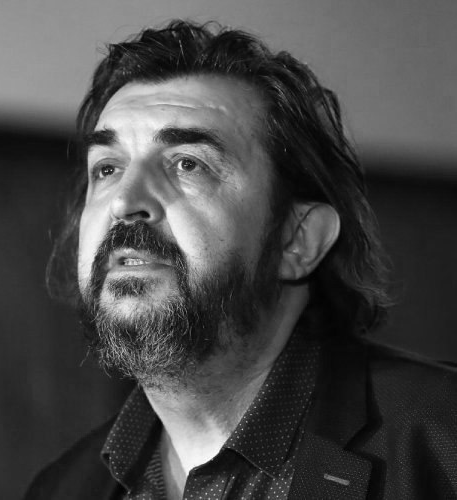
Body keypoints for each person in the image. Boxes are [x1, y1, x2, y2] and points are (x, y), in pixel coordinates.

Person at [25, 20, 457, 499]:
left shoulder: (443, 444)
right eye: (107, 169)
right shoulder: (61, 490)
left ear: (298, 240)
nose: (125, 201)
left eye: (187, 163)